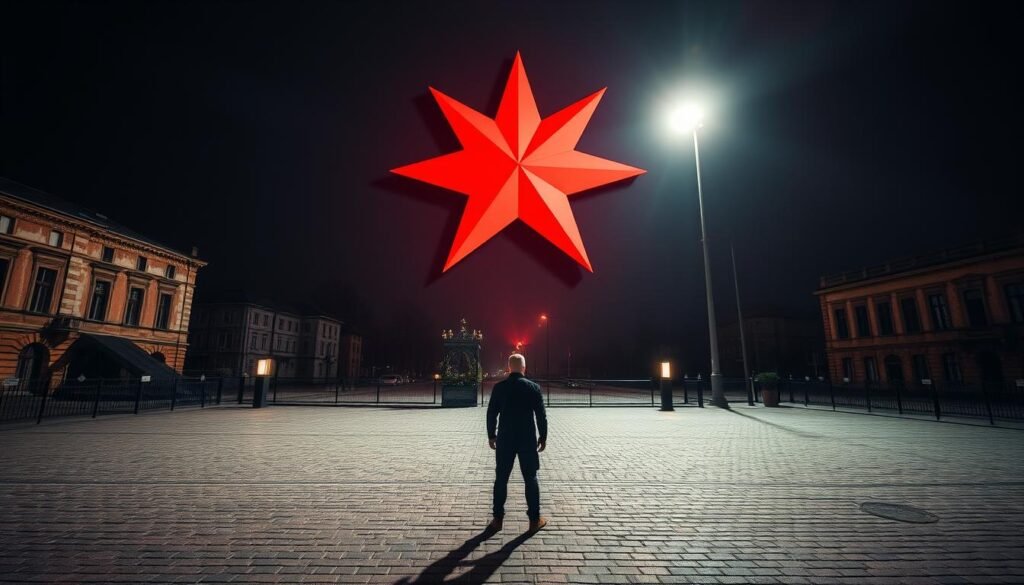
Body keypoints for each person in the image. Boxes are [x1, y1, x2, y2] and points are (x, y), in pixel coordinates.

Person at [486, 353, 548, 532]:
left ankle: (497, 519)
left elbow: (491, 413)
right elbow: (541, 415)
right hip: (527, 439)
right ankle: (534, 520)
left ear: (509, 367)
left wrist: (491, 435)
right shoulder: (533, 388)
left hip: (505, 438)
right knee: (530, 478)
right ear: (524, 368)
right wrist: (543, 436)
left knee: (501, 478)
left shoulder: (499, 388)